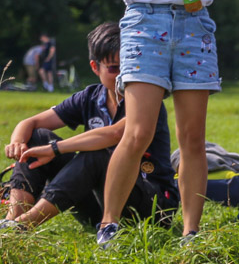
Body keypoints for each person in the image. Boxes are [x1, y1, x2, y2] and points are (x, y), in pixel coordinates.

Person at [90, 0, 224, 246]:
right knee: (138, 133)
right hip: (145, 23)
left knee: (192, 138)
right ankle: (108, 225)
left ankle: (191, 234)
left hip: (195, 22)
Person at [1, 23, 177, 232]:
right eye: (114, 68)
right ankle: (12, 220)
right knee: (36, 137)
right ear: (95, 67)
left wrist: (55, 148)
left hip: (151, 205)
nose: (122, 76)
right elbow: (29, 123)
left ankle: (24, 225)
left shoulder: (147, 100)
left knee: (100, 154)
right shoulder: (89, 97)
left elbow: (114, 134)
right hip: (99, 204)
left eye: (128, 67)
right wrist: (18, 143)